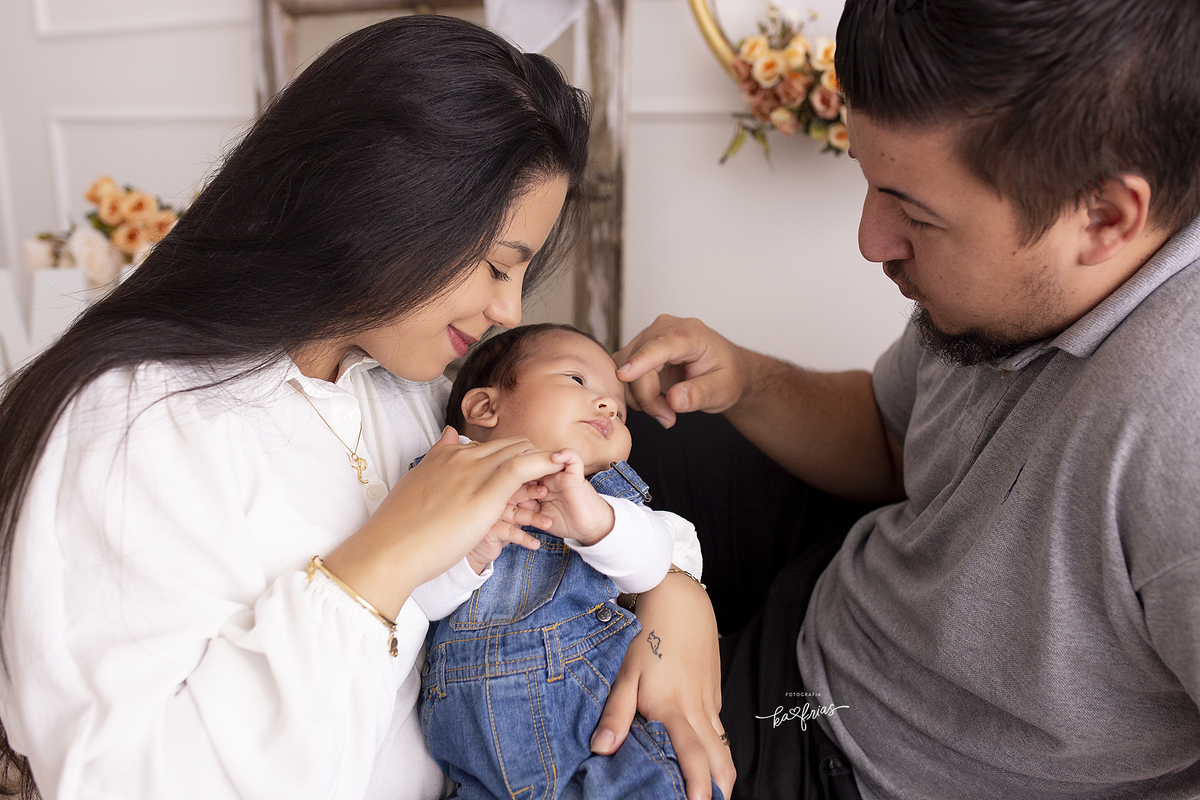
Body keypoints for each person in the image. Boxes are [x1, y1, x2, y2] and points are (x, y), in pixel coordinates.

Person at [0, 16, 734, 800]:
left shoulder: (408, 386)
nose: (508, 311)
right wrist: (381, 560)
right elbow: (128, 778)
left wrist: (675, 599)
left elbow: (587, 536)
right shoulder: (136, 426)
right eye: (495, 267)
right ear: (384, 202)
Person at [614, 0, 1200, 798]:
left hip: (855, 754)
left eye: (917, 215)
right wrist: (746, 378)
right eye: (871, 182)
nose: (871, 241)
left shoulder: (1180, 437)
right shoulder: (1013, 281)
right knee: (579, 431)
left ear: (1103, 217)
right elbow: (893, 442)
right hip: (843, 594)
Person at [416, 323, 717, 800]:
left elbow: (654, 564)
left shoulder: (611, 501)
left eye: (619, 409)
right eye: (577, 381)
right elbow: (415, 600)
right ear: (484, 407)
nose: (608, 406)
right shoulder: (445, 484)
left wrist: (597, 523)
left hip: (601, 734)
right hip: (479, 764)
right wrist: (468, 553)